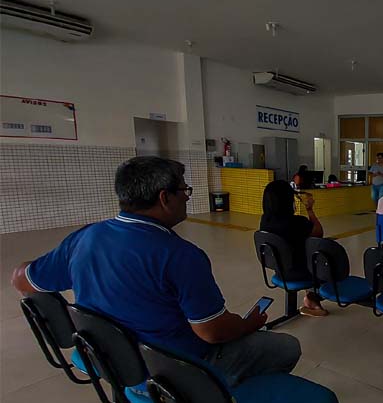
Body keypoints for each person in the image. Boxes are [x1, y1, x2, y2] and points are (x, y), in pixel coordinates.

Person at [10, 156, 301, 387]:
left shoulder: (85, 238)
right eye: (184, 190)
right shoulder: (180, 256)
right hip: (172, 369)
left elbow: (22, 279)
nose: (187, 197)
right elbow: (213, 332)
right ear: (165, 198)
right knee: (286, 347)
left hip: (111, 359)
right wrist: (248, 325)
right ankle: (219, 401)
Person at [260, 180, 328, 317]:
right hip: (299, 272)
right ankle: (313, 297)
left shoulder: (264, 221)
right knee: (322, 256)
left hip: (279, 270)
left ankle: (311, 301)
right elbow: (319, 233)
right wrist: (309, 209)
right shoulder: (297, 223)